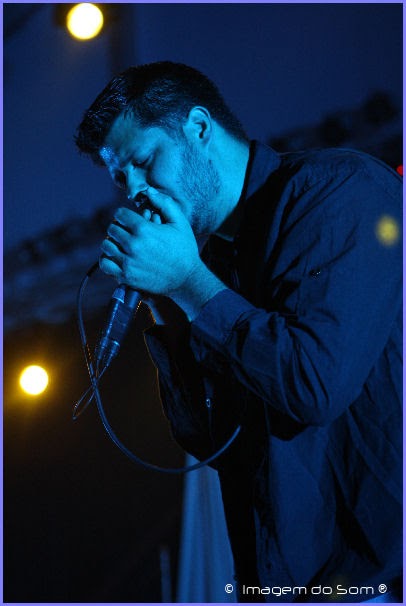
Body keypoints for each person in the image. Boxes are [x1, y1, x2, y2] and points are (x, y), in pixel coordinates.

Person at [75, 62, 402, 603]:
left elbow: (314, 385)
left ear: (199, 128)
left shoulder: (338, 191)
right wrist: (163, 296)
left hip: (374, 580)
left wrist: (187, 281)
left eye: (144, 162)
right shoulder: (212, 266)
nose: (135, 193)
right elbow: (204, 440)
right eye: (120, 179)